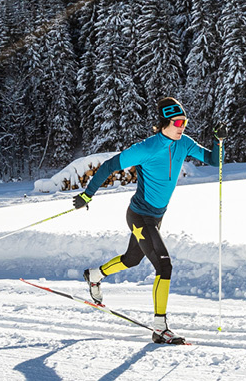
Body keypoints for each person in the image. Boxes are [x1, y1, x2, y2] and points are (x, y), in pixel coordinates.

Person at [72, 97, 224, 344]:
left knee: (131, 260)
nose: (182, 126)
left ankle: (95, 275)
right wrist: (87, 194)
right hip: (140, 215)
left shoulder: (184, 143)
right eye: (177, 122)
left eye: (184, 121)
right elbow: (109, 165)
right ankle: (159, 327)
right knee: (164, 266)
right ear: (164, 123)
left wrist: (219, 141)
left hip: (156, 216)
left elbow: (215, 161)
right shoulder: (146, 147)